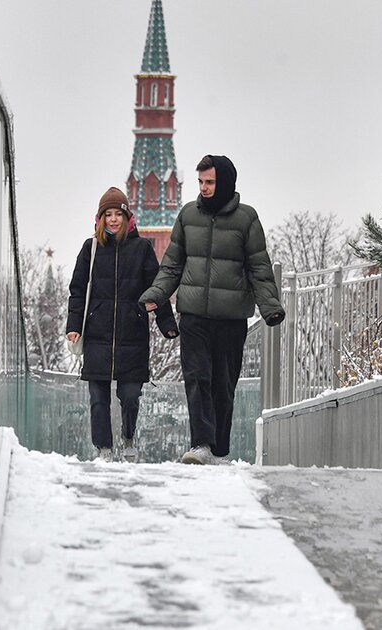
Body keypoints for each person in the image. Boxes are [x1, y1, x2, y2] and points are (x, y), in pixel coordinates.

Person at [139, 155, 285, 465]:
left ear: (225, 183)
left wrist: (270, 306)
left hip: (231, 318)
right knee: (196, 376)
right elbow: (172, 264)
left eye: (210, 182)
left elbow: (259, 266)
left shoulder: (246, 219)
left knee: (223, 383)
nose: (204, 188)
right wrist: (156, 293)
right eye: (201, 182)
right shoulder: (188, 216)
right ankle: (201, 444)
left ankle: (218, 448)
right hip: (192, 315)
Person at [67, 187, 179, 463]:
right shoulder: (90, 248)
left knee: (129, 397)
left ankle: (128, 437)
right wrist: (74, 325)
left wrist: (167, 323)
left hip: (132, 335)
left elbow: (156, 289)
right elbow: (78, 289)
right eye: (108, 214)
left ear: (128, 217)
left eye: (119, 214)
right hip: (97, 335)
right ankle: (104, 448)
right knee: (97, 399)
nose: (114, 219)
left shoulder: (141, 248)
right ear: (100, 218)